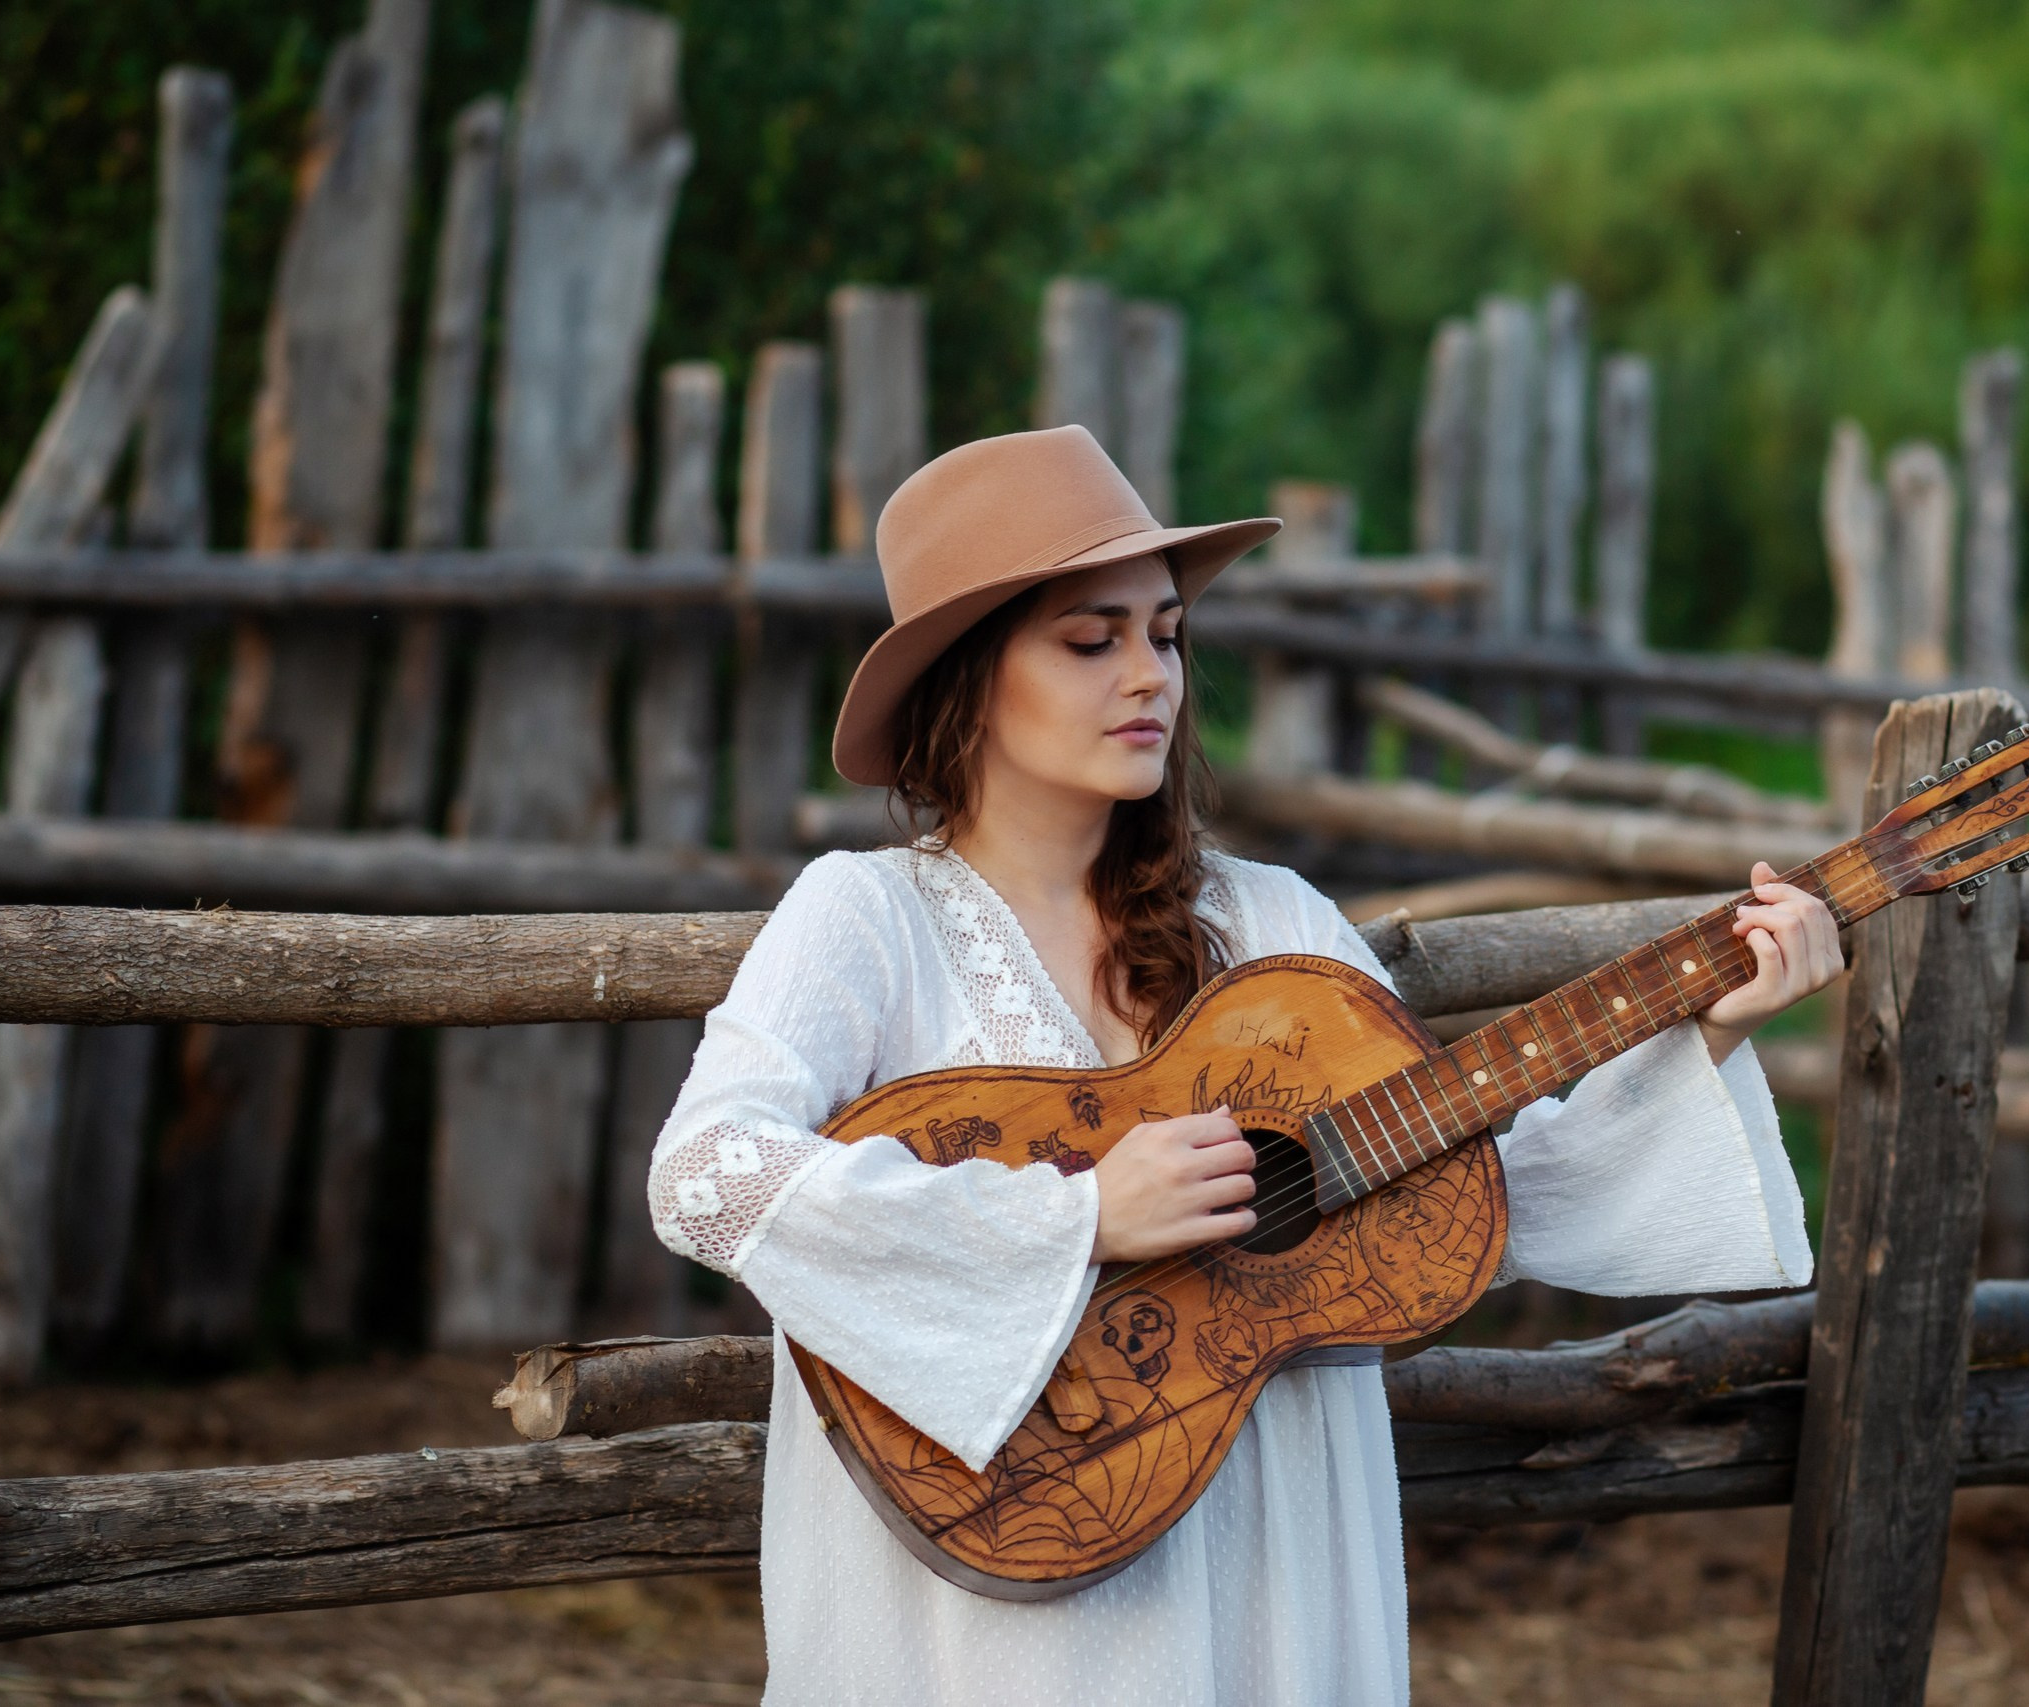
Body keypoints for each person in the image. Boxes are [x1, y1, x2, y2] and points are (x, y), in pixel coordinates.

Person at [647, 425, 1841, 1706]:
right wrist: (1082, 1215)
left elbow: (1453, 1201)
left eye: (1163, 634)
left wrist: (1704, 1023)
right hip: (1021, 1511)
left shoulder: (1273, 924)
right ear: (969, 677)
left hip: (1271, 1530)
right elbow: (708, 1176)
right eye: (1089, 639)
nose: (1148, 674)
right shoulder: (867, 918)